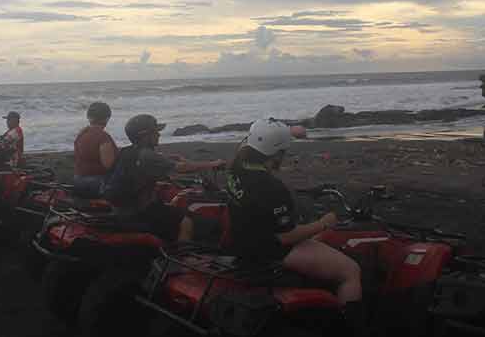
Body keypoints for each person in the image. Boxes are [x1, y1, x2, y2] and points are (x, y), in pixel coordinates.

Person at [225, 118, 364, 331]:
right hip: (268, 250)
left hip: (241, 241)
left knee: (316, 242)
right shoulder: (271, 187)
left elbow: (256, 140)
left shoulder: (235, 165)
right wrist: (323, 223)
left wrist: (286, 131)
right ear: (278, 153)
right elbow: (286, 237)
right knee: (351, 271)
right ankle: (350, 326)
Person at [104, 114, 225, 243]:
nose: (159, 135)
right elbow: (182, 168)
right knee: (187, 220)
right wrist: (213, 164)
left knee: (169, 207)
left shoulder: (127, 151)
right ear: (145, 136)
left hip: (124, 209)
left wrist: (170, 158)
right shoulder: (147, 155)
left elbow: (153, 161)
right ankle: (184, 253)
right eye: (156, 132)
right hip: (139, 211)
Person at [73, 102, 118, 197]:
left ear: (88, 116)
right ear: (107, 118)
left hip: (77, 180)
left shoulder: (81, 134)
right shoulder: (103, 137)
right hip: (96, 184)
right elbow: (109, 165)